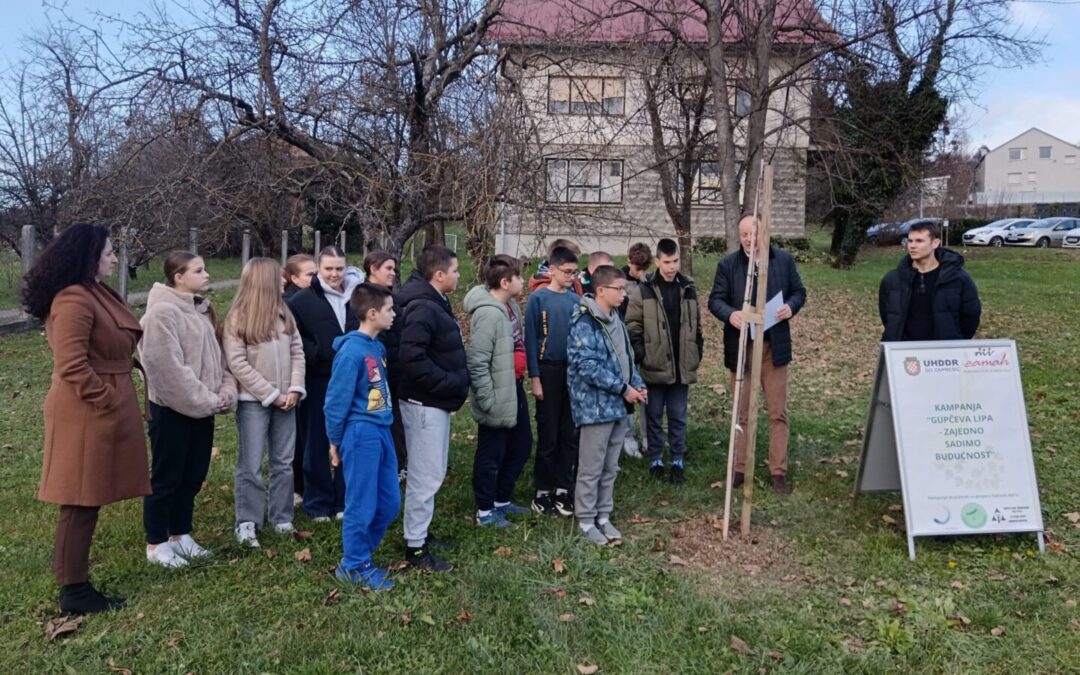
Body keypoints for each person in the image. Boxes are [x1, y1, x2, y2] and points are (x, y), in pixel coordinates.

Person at [24, 224, 149, 615]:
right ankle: (73, 591)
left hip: (101, 403)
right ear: (89, 256)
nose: (114, 258)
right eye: (109, 252)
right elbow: (72, 365)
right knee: (79, 499)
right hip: (85, 409)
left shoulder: (94, 292)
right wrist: (107, 398)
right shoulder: (73, 300)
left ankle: (75, 583)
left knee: (88, 496)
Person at [141, 251, 237, 567]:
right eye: (198, 270)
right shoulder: (162, 314)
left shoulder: (201, 310)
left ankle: (180, 534)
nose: (206, 274)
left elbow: (218, 357)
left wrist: (224, 391)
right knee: (167, 477)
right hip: (171, 410)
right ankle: (156, 543)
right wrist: (205, 400)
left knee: (193, 475)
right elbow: (166, 368)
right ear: (179, 277)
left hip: (203, 408)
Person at [708, 215, 807, 495]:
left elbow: (799, 292)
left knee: (778, 412)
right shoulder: (728, 265)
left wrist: (791, 306)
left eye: (754, 234)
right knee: (742, 413)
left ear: (765, 233)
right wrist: (732, 314)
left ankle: (778, 472)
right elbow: (715, 300)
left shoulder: (783, 261)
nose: (749, 240)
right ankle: (740, 468)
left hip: (773, 348)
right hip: (742, 348)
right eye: (744, 235)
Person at [224, 258, 306, 548]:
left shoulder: (285, 313)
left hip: (288, 402)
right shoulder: (238, 318)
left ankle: (281, 517)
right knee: (251, 464)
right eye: (278, 277)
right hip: (253, 403)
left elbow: (297, 351)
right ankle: (247, 521)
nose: (284, 281)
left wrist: (294, 389)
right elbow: (237, 363)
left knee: (284, 461)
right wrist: (270, 393)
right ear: (263, 281)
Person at [325, 283, 401, 591]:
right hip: (360, 433)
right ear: (372, 314)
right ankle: (354, 564)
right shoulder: (351, 352)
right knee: (361, 503)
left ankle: (359, 554)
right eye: (389, 310)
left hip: (382, 430)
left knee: (390, 502)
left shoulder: (377, 347)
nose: (394, 314)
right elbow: (335, 401)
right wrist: (335, 441)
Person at [397, 245, 468, 572]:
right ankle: (415, 547)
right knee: (426, 476)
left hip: (433, 402)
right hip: (425, 403)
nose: (457, 275)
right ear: (438, 275)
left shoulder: (433, 300)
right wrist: (449, 384)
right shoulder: (424, 307)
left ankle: (420, 533)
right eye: (454, 270)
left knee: (433, 472)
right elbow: (412, 358)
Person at [567, 265, 646, 545]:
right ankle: (586, 520)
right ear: (601, 291)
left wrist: (636, 384)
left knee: (610, 466)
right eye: (619, 289)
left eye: (625, 288)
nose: (624, 294)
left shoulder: (617, 320)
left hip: (618, 407)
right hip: (596, 408)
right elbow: (587, 367)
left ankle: (603, 515)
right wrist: (623, 389)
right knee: (592, 468)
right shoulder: (584, 322)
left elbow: (626, 358)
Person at [287, 246, 364, 522]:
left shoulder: (359, 296)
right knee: (316, 439)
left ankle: (344, 499)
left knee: (350, 438)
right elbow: (296, 339)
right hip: (318, 379)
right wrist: (320, 354)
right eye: (328, 268)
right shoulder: (301, 301)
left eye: (339, 268)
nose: (334, 274)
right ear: (319, 269)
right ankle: (317, 501)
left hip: (354, 381)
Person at [626, 238, 703, 484]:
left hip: (681, 365)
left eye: (676, 261)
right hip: (654, 365)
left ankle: (678, 457)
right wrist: (643, 354)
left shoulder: (689, 287)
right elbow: (633, 325)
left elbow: (697, 325)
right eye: (667, 262)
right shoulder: (644, 289)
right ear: (657, 261)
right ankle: (657, 457)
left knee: (679, 415)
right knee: (654, 415)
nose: (672, 267)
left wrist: (696, 350)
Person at [464, 255, 533, 528]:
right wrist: (487, 398)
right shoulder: (488, 314)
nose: (524, 280)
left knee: (521, 444)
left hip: (513, 387)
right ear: (505, 282)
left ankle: (501, 499)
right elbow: (477, 360)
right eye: (519, 276)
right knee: (491, 453)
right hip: (495, 394)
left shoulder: (511, 306)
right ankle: (484, 511)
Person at [524, 245, 582, 517]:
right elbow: (531, 339)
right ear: (553, 270)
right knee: (548, 433)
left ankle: (563, 488)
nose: (571, 276)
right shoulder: (538, 299)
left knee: (568, 432)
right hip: (547, 371)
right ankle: (543, 489)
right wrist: (535, 377)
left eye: (575, 272)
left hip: (570, 372)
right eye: (567, 272)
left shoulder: (574, 300)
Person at [879, 221, 981, 341]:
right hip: (903, 352)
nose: (912, 246)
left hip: (942, 353)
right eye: (910, 241)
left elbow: (970, 318)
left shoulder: (958, 279)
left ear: (935, 243)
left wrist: (954, 341)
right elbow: (888, 316)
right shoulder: (893, 279)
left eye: (919, 241)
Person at [363, 250, 408, 480]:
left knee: (396, 424)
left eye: (394, 268)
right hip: (377, 375)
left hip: (396, 374)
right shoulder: (363, 298)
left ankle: (397, 467)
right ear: (373, 268)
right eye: (388, 268)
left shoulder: (393, 298)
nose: (393, 273)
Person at [282, 253, 317, 505]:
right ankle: (297, 487)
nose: (315, 278)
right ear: (293, 278)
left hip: (312, 373)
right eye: (310, 274)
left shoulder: (314, 298)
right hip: (296, 376)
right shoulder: (291, 303)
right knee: (299, 435)